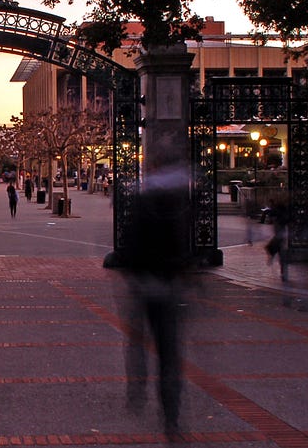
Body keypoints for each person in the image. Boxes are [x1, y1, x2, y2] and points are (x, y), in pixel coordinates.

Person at [118, 168, 190, 438]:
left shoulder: (141, 205)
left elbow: (127, 247)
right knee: (168, 354)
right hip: (169, 288)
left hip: (144, 287)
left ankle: (137, 390)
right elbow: (184, 248)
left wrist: (131, 272)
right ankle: (171, 416)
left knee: (137, 343)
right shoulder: (178, 207)